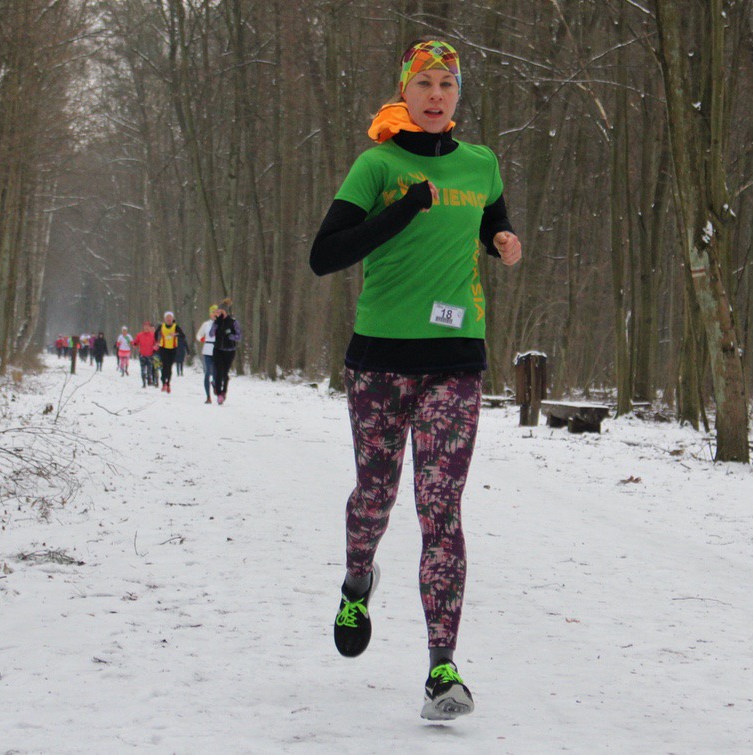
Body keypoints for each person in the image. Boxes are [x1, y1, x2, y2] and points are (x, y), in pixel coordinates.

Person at [310, 39, 522, 721]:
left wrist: (500, 239)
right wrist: (403, 208)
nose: (435, 95)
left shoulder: (481, 163)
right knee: (375, 496)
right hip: (379, 358)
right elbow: (324, 255)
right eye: (424, 83)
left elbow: (490, 215)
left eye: (446, 84)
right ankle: (356, 580)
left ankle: (442, 669)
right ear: (404, 91)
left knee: (440, 509)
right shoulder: (377, 165)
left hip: (455, 359)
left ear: (458, 95)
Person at [209, 298, 241, 405]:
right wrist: (216, 324)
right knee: (218, 371)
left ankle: (224, 391)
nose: (218, 313)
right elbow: (211, 334)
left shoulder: (233, 322)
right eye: (217, 312)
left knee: (224, 373)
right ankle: (219, 394)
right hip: (218, 350)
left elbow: (239, 336)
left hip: (229, 351)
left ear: (225, 311)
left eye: (220, 311)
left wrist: (230, 336)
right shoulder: (217, 322)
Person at [153, 311, 187, 393]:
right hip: (163, 348)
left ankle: (168, 383)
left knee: (169, 367)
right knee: (164, 365)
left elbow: (183, 335)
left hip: (172, 349)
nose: (168, 319)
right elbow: (155, 334)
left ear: (172, 318)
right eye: (167, 317)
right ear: (164, 319)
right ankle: (163, 382)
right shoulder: (162, 326)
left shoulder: (176, 327)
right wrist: (157, 341)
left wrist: (175, 335)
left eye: (170, 317)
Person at [196, 305, 219, 403]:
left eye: (217, 312)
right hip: (207, 351)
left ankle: (215, 383)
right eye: (213, 312)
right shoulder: (206, 324)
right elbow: (198, 335)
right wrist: (201, 338)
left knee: (216, 373)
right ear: (210, 314)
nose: (215, 314)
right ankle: (208, 397)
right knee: (207, 373)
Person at [132, 320, 157, 388]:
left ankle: (149, 380)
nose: (146, 328)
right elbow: (135, 342)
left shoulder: (152, 335)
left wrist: (156, 348)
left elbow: (156, 343)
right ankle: (144, 383)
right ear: (143, 327)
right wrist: (134, 344)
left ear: (149, 328)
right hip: (142, 355)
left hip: (150, 355)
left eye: (147, 327)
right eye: (145, 327)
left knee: (149, 370)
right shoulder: (140, 335)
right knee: (143, 370)